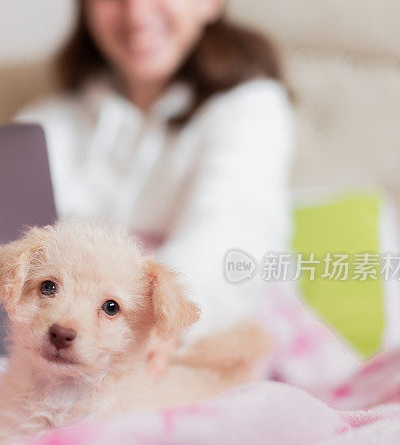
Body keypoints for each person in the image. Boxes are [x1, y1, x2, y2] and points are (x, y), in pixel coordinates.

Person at [16, 0, 293, 342]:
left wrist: (157, 327)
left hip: (197, 334)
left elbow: (230, 236)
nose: (135, 12)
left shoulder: (250, 107)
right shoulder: (47, 121)